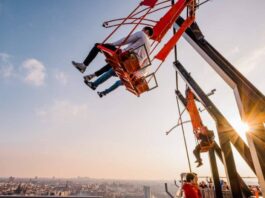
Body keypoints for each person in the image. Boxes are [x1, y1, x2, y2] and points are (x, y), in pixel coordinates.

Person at [72, 26, 154, 97]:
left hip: (126, 57)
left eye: (143, 29)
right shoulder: (149, 48)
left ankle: (84, 65)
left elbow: (126, 40)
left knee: (98, 45)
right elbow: (145, 64)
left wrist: (113, 44)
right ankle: (94, 84)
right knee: (112, 69)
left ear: (146, 31)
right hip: (130, 67)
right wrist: (136, 74)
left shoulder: (142, 34)